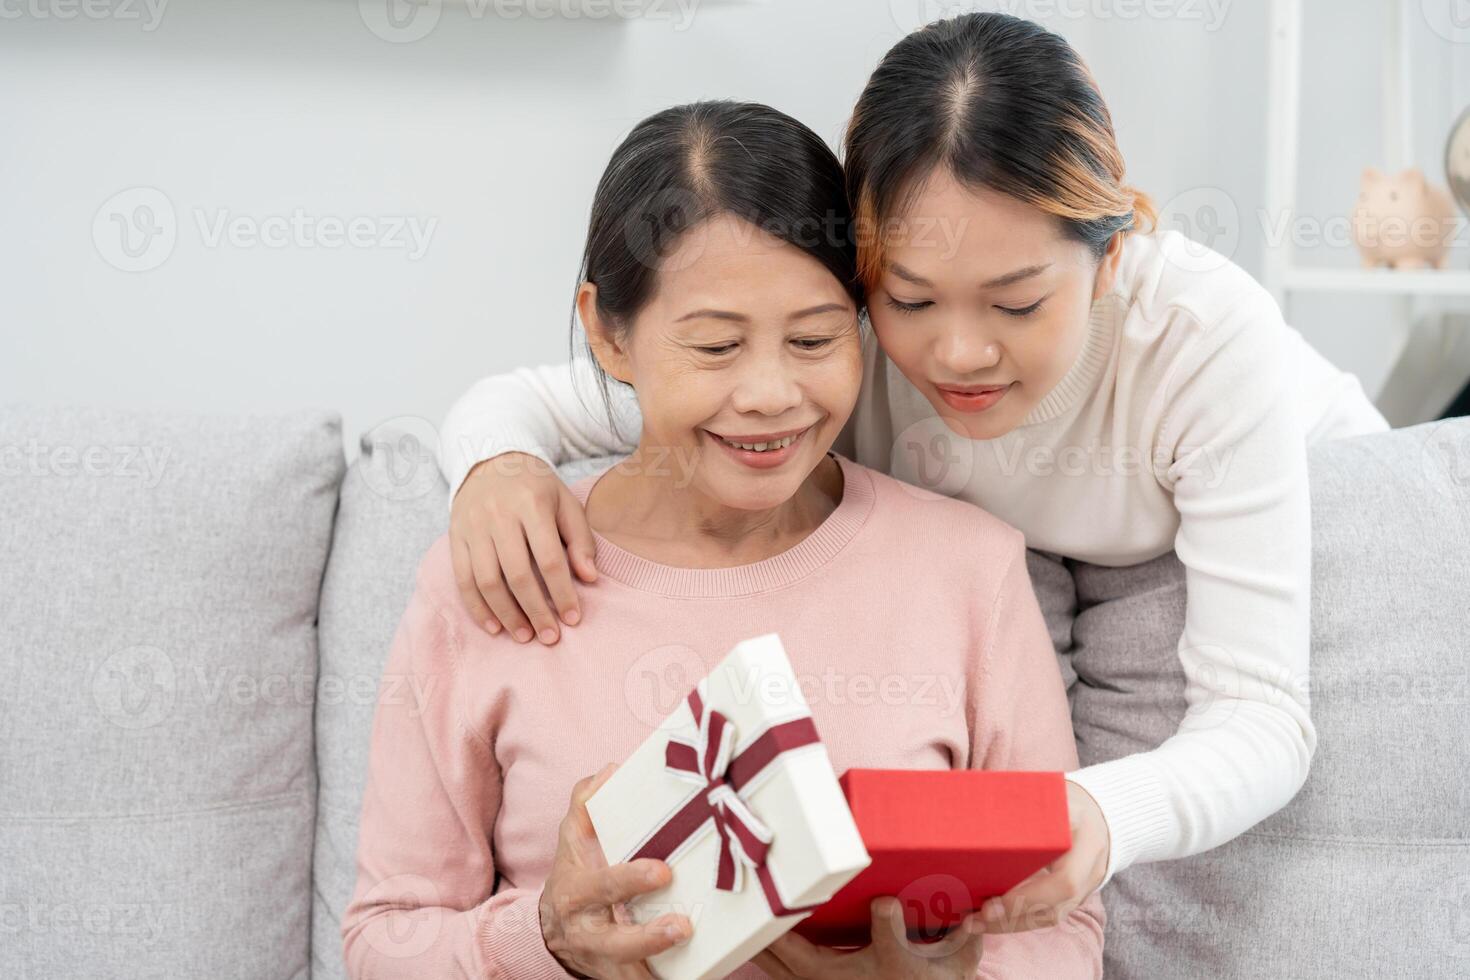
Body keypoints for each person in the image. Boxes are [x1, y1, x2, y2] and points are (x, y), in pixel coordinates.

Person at [434, 12, 1390, 933]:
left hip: (1328, 492)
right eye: (912, 298)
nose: (957, 354)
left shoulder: (1202, 342)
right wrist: (494, 465)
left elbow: (1262, 719)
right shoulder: (830, 352)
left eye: (1016, 305)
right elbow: (536, 396)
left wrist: (1095, 816)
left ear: (1109, 262)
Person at [343, 98, 1105, 980]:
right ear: (606, 331)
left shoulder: (969, 570)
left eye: (816, 338)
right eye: (715, 347)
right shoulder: (496, 572)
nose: (772, 394)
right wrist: (547, 942)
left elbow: (1060, 923)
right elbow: (382, 940)